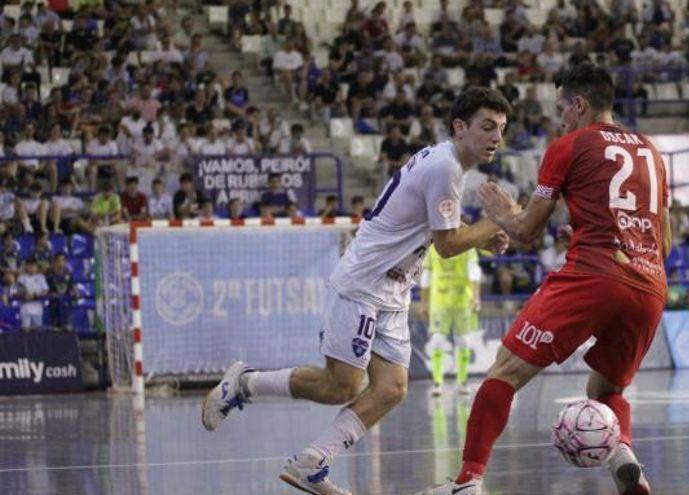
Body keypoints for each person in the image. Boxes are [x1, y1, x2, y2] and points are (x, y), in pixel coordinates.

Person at [201, 87, 514, 495]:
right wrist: (500, 221)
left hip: (394, 290)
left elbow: (444, 236)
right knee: (341, 386)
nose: (496, 137)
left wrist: (481, 235)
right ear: (460, 127)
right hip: (365, 283)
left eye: (502, 129)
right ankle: (244, 383)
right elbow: (448, 245)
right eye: (487, 126)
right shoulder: (445, 167)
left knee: (391, 388)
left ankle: (312, 461)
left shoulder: (448, 164)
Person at [420, 63, 670, 495]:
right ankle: (625, 458)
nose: (560, 118)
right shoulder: (650, 150)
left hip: (593, 274)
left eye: (562, 108)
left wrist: (502, 214)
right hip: (649, 284)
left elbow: (526, 231)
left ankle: (466, 483)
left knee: (504, 372)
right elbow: (663, 239)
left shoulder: (568, 145)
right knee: (605, 386)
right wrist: (588, 231)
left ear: (579, 103)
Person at [419, 244, 482, 396]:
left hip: (462, 302)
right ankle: (437, 382)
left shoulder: (468, 247)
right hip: (439, 302)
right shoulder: (434, 248)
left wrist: (475, 296)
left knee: (463, 342)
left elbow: (474, 271)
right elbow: (426, 274)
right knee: (437, 340)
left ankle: (462, 382)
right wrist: (424, 302)